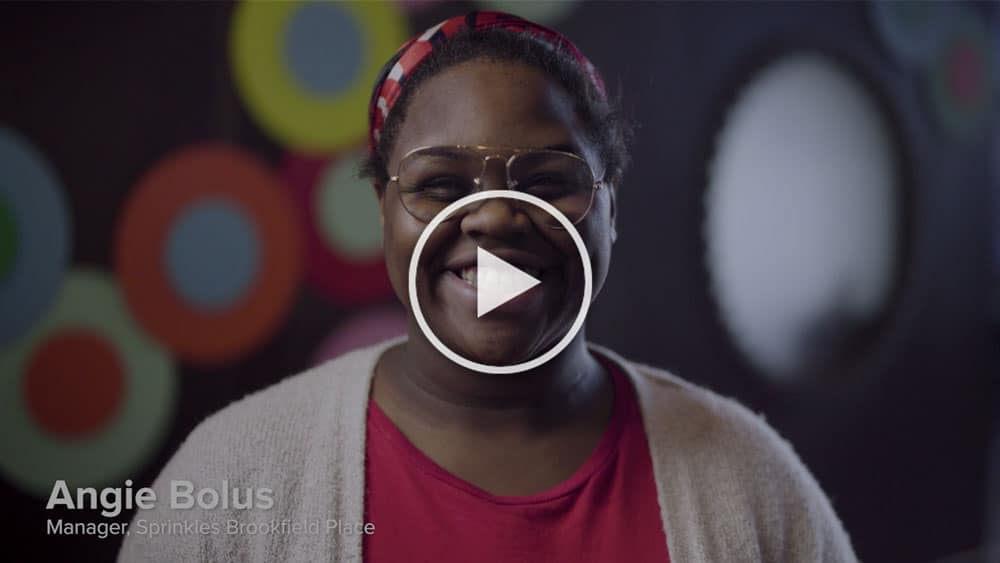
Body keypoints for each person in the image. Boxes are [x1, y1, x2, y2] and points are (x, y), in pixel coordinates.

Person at [119, 11, 856, 562]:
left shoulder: (751, 485)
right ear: (383, 215)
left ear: (610, 212)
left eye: (547, 181)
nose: (499, 215)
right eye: (440, 184)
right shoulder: (234, 476)